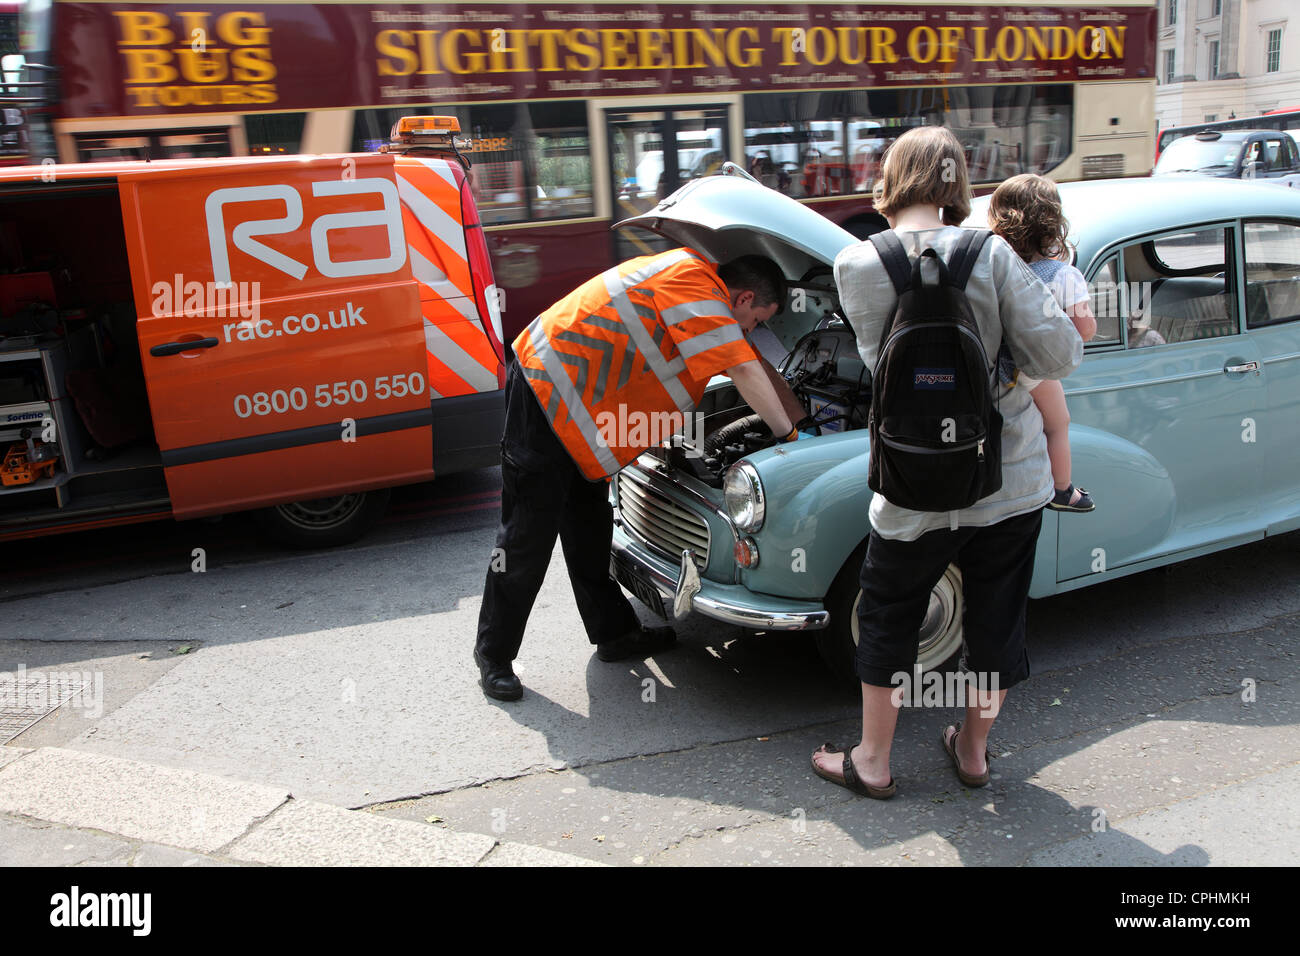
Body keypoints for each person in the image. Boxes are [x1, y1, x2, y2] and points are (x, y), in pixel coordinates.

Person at [812, 126, 1083, 797]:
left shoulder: (855, 264)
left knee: (888, 616)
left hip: (909, 483)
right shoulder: (991, 254)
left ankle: (872, 761)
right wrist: (1003, 376)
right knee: (996, 620)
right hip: (1008, 475)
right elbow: (1061, 356)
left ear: (892, 179)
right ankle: (973, 753)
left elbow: (883, 368)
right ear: (959, 183)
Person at [474, 249, 806, 701]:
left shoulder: (689, 281)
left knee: (590, 525)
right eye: (754, 321)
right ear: (744, 296)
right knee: (526, 536)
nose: (749, 333)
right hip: (544, 393)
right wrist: (788, 435)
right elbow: (743, 367)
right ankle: (493, 655)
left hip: (576, 412)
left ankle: (614, 634)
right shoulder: (696, 287)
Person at [987, 173, 1099, 512]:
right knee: (1058, 423)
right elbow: (1085, 329)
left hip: (997, 362)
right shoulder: (1063, 275)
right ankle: (1062, 489)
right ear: (1053, 226)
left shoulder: (994, 267)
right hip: (1033, 368)